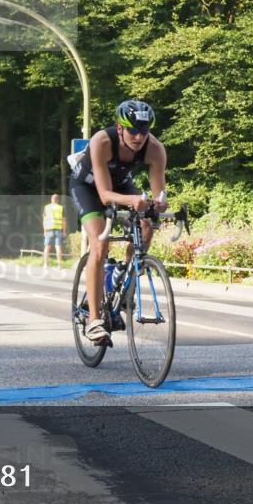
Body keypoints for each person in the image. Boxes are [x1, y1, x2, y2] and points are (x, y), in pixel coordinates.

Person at [69, 99, 167, 343]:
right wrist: (134, 200)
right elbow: (104, 195)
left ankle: (124, 278)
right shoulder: (101, 141)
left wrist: (159, 205)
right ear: (120, 128)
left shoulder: (155, 149)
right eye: (132, 130)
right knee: (100, 245)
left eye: (144, 131)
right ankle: (94, 320)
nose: (138, 137)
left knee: (147, 224)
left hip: (121, 185)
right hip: (88, 187)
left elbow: (159, 196)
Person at [42, 193, 65, 269]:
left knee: (47, 247)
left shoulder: (47, 207)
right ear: (58, 200)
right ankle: (59, 265)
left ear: (51, 200)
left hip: (48, 229)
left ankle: (45, 264)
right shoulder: (61, 208)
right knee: (58, 247)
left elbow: (44, 220)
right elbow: (64, 221)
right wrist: (64, 231)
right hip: (58, 229)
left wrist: (44, 231)